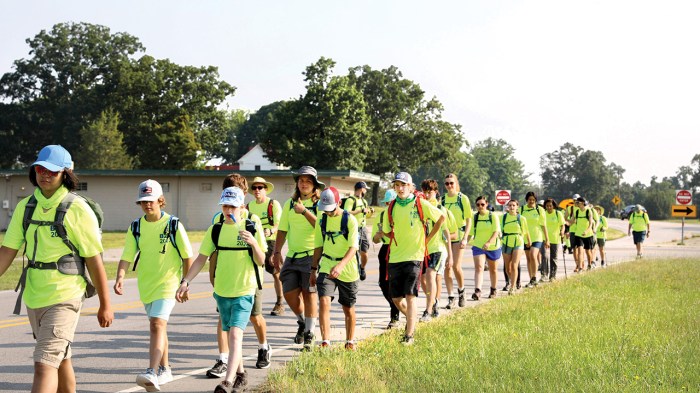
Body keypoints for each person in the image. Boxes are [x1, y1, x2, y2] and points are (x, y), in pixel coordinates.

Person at [0, 145, 114, 393]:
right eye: (40, 169)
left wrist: (105, 303)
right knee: (60, 360)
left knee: (43, 365)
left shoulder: (77, 209)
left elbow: (94, 259)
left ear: (65, 174)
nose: (45, 175)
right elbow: (7, 251)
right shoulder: (26, 207)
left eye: (52, 171)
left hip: (65, 295)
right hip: (34, 295)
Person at [176, 186, 267, 393]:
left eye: (233, 207)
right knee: (231, 335)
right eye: (225, 206)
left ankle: (227, 381)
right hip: (222, 291)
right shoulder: (215, 229)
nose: (228, 211)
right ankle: (242, 375)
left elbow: (261, 260)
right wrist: (185, 281)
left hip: (245, 289)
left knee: (235, 335)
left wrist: (253, 243)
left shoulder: (252, 226)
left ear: (242, 207)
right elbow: (201, 258)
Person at [114, 179, 194, 391]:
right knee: (159, 327)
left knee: (157, 325)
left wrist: (185, 283)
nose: (147, 205)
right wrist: (120, 276)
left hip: (168, 284)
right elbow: (127, 255)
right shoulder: (136, 227)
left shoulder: (173, 225)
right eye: (143, 201)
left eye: (151, 201)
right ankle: (165, 369)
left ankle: (151, 371)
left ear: (160, 200)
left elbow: (187, 257)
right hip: (146, 285)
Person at [207, 174, 272, 379]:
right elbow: (214, 251)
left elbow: (261, 255)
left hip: (249, 277)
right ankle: (224, 359)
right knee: (225, 321)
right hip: (226, 279)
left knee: (254, 316)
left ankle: (263, 346)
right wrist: (213, 276)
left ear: (244, 195)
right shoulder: (218, 220)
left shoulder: (251, 221)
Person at [374, 172, 444, 345]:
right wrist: (382, 234)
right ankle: (411, 319)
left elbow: (441, 218)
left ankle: (409, 335)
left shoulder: (420, 203)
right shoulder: (392, 207)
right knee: (396, 299)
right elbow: (391, 233)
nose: (400, 188)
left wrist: (427, 239)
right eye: (397, 185)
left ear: (411, 187)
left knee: (410, 296)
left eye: (403, 185)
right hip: (395, 257)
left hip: (415, 256)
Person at [273, 166, 324, 350]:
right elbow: (283, 229)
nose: (304, 184)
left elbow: (321, 227)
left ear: (314, 185)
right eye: (301, 180)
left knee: (310, 294)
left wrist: (304, 211)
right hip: (292, 257)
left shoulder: (319, 203)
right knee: (289, 293)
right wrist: (277, 251)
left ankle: (309, 333)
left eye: (308, 181)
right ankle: (302, 322)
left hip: (311, 256)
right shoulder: (289, 203)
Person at [310, 187, 360, 350]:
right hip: (326, 265)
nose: (328, 213)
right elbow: (318, 246)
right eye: (325, 210)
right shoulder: (322, 220)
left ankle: (350, 341)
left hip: (348, 268)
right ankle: (326, 341)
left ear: (338, 203)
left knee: (348, 307)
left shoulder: (350, 220)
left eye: (330, 209)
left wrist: (341, 265)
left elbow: (353, 248)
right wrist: (313, 269)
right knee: (324, 301)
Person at [246, 177, 284, 316]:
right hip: (253, 242)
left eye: (260, 187)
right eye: (254, 188)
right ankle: (251, 303)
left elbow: (280, 224)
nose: (257, 190)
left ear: (265, 189)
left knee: (276, 273)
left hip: (270, 242)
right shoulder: (249, 206)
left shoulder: (273, 204)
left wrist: (271, 230)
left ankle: (280, 303)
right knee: (252, 271)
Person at [419, 180, 453, 321]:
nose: (427, 195)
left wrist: (450, 255)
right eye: (425, 192)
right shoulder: (420, 206)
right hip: (422, 249)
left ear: (436, 192)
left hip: (437, 247)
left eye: (430, 192)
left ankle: (427, 311)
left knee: (431, 275)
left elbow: (446, 233)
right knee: (423, 279)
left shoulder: (440, 208)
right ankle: (433, 302)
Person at [441, 173, 473, 308]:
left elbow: (469, 219)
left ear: (456, 184)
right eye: (447, 183)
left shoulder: (462, 198)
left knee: (455, 266)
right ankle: (451, 297)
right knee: (447, 267)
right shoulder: (442, 200)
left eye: (451, 183)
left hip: (458, 235)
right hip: (445, 236)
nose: (449, 186)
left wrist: (466, 237)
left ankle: (461, 290)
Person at [371, 190, 400, 328]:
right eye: (387, 202)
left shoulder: (400, 215)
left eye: (391, 202)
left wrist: (387, 234)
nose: (388, 205)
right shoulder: (382, 215)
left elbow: (399, 237)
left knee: (394, 284)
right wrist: (378, 235)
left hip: (398, 249)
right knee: (383, 283)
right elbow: (375, 240)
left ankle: (394, 315)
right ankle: (396, 306)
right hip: (385, 250)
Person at [467, 196, 501, 300]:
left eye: (482, 204)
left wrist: (489, 242)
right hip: (478, 245)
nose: (480, 206)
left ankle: (493, 289)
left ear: (486, 204)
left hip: (493, 246)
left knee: (493, 270)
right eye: (478, 205)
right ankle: (477, 291)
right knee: (479, 268)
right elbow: (471, 232)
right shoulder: (475, 217)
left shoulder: (493, 216)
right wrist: (464, 241)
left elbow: (496, 231)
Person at [341, 181, 372, 281]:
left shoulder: (364, 201)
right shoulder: (351, 200)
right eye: (365, 189)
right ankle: (353, 271)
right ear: (362, 189)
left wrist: (369, 212)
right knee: (353, 251)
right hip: (353, 229)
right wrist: (360, 211)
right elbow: (346, 213)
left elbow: (366, 214)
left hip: (363, 229)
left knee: (365, 252)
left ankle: (362, 268)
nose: (366, 191)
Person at [501, 199, 530, 295]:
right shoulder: (503, 218)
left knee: (514, 265)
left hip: (518, 241)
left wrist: (528, 241)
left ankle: (512, 287)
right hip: (506, 241)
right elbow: (498, 230)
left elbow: (525, 231)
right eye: (510, 205)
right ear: (507, 207)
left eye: (514, 205)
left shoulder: (521, 218)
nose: (512, 207)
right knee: (507, 268)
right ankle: (514, 279)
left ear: (517, 207)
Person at [520, 192, 549, 287]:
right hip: (525, 237)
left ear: (535, 200)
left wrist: (547, 239)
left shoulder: (540, 210)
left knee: (533, 255)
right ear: (526, 200)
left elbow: (544, 225)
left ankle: (534, 277)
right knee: (528, 258)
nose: (531, 201)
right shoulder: (522, 209)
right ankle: (531, 279)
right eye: (529, 199)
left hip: (537, 236)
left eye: (533, 199)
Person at [569, 197, 596, 271]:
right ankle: (580, 267)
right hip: (578, 234)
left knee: (588, 251)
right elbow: (571, 221)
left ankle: (590, 264)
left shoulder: (588, 211)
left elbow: (591, 223)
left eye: (578, 202)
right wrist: (564, 223)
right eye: (576, 202)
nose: (576, 204)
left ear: (583, 203)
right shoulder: (576, 211)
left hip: (588, 234)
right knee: (580, 250)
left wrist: (587, 231)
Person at [543, 198, 565, 280]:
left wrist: (562, 231)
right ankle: (544, 274)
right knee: (544, 257)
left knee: (553, 257)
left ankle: (553, 275)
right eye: (547, 206)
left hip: (555, 238)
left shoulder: (558, 213)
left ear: (554, 206)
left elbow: (563, 225)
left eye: (550, 206)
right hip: (544, 238)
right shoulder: (543, 213)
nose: (549, 207)